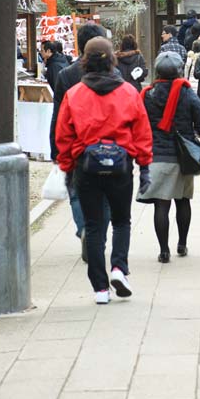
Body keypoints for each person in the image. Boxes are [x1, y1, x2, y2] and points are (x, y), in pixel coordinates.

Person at [55, 37, 152, 304]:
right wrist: (144, 167)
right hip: (120, 165)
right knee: (121, 221)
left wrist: (67, 167)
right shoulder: (128, 92)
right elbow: (142, 132)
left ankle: (100, 288)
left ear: (85, 60)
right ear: (113, 60)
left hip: (86, 166)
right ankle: (119, 268)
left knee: (95, 227)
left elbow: (63, 134)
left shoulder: (74, 94)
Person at [140, 52, 200, 262]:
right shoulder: (186, 93)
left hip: (156, 156)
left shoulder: (147, 94)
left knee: (161, 205)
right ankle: (182, 244)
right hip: (183, 157)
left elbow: (139, 125)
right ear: (179, 70)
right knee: (183, 202)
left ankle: (163, 250)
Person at [50, 22, 107, 259]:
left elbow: (58, 115)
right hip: (106, 143)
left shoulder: (66, 74)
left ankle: (85, 229)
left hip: (75, 143)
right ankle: (98, 237)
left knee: (75, 191)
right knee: (104, 193)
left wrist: (55, 149)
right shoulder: (111, 74)